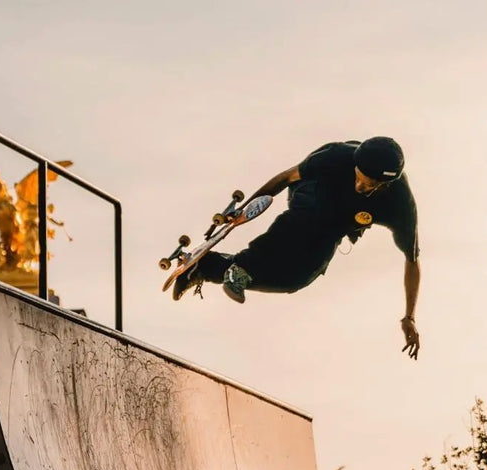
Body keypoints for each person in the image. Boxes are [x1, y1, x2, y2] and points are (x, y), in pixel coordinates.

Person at [175, 137, 422, 359]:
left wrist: (409, 316)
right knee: (311, 218)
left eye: (368, 185)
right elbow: (284, 178)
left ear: (385, 185)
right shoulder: (336, 157)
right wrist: (246, 211)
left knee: (298, 278)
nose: (359, 186)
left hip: (337, 226)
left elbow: (411, 261)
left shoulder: (400, 206)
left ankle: (205, 268)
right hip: (312, 192)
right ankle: (244, 266)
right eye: (357, 177)